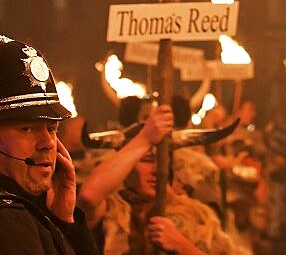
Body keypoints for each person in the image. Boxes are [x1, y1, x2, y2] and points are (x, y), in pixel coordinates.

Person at [78, 103, 242, 254]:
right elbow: (89, 195)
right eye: (147, 160)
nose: (157, 170)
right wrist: (145, 139)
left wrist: (182, 245)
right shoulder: (111, 210)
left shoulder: (198, 216)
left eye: (163, 161)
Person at [0, 34, 98, 254]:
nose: (48, 144)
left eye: (52, 129)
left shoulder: (28, 211)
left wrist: (64, 221)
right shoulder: (10, 219)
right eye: (27, 128)